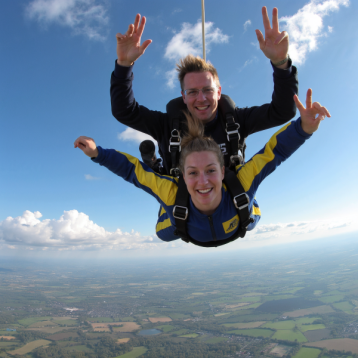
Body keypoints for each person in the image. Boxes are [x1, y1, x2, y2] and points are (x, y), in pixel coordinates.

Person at [75, 90, 330, 246]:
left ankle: (159, 167)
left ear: (223, 170)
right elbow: (132, 171)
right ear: (183, 177)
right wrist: (97, 153)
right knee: (161, 229)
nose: (203, 181)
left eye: (210, 170)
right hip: (181, 225)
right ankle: (158, 166)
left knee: (252, 214)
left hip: (240, 216)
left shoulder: (240, 182)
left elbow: (275, 152)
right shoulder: (172, 194)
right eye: (192, 173)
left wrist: (304, 127)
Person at [111, 7, 298, 175]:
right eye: (192, 92)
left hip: (229, 206)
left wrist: (281, 64)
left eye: (207, 90)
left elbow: (282, 111)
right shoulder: (167, 126)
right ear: (183, 97)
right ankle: (151, 162)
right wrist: (124, 66)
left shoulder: (236, 120)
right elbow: (125, 111)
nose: (201, 98)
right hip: (180, 208)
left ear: (219, 92)